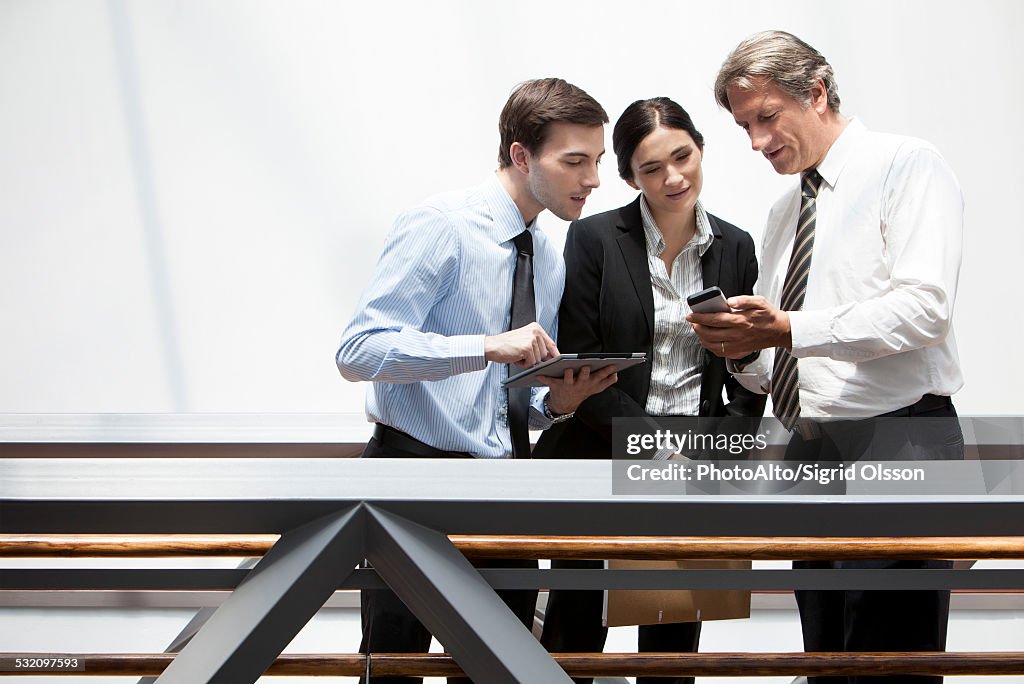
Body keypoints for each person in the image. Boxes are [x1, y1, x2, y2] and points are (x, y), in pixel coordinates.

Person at [689, 31, 965, 684]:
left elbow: (926, 308)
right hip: (810, 451)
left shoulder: (908, 165)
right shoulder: (787, 211)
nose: (756, 143)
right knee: (828, 658)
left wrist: (789, 328)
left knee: (888, 663)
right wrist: (740, 349)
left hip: (899, 441)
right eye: (743, 128)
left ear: (815, 91)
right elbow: (789, 350)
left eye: (765, 118)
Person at [336, 77, 619, 684]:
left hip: (500, 484)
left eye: (596, 161)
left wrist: (556, 401)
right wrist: (485, 346)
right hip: (411, 477)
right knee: (395, 667)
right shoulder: (440, 226)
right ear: (521, 155)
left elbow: (504, 396)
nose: (592, 179)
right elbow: (359, 350)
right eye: (574, 161)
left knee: (498, 667)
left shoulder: (546, 252)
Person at [532, 97, 766, 684]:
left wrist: (718, 448)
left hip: (697, 454)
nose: (674, 178)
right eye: (652, 169)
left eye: (682, 157)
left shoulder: (735, 247)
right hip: (605, 446)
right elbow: (582, 358)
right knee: (576, 621)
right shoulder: (593, 238)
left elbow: (749, 361)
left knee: (673, 623)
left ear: (701, 149)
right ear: (630, 178)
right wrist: (650, 447)